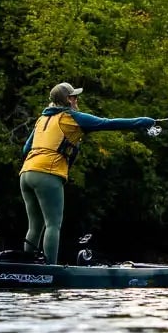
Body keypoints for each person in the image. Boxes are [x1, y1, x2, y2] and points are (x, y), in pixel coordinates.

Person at [19, 82, 154, 264]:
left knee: (34, 226)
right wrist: (141, 122)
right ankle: (50, 269)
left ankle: (26, 266)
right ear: (68, 100)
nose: (76, 99)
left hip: (26, 173)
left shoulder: (41, 119)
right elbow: (106, 123)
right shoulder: (72, 117)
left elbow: (26, 148)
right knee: (53, 224)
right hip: (47, 174)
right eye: (74, 96)